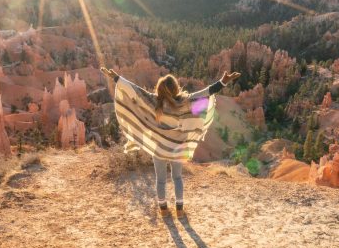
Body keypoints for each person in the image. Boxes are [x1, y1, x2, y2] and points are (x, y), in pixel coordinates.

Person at [101, 67, 240, 217]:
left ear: (159, 89)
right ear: (176, 88)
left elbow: (136, 91)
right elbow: (206, 92)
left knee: (160, 180)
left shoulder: (154, 101)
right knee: (177, 178)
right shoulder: (185, 101)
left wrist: (117, 78)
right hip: (178, 148)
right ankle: (179, 210)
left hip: (159, 147)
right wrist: (223, 82)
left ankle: (163, 209)